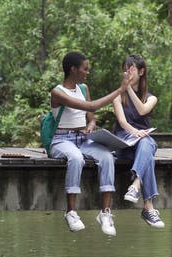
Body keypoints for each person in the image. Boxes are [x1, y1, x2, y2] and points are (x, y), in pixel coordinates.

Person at [49, 51, 132, 236]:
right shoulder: (57, 92)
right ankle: (71, 212)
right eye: (85, 69)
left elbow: (91, 116)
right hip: (62, 140)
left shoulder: (84, 89)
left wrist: (91, 125)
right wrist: (120, 89)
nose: (87, 72)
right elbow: (92, 106)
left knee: (106, 157)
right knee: (76, 158)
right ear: (73, 69)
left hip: (83, 139)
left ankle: (105, 213)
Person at [112, 54, 165, 228]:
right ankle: (148, 207)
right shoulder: (117, 96)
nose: (128, 72)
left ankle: (135, 185)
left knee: (146, 145)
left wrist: (129, 89)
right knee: (148, 146)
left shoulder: (151, 98)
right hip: (123, 142)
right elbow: (122, 122)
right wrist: (136, 132)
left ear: (141, 71)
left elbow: (142, 111)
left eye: (132, 68)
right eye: (125, 68)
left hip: (141, 143)